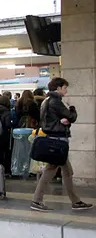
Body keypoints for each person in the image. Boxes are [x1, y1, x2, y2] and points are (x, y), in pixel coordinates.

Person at [30, 78, 92, 212]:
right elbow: (71, 116)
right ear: (58, 88)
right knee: (50, 171)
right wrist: (72, 108)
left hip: (54, 139)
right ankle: (36, 200)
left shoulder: (46, 101)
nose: (66, 90)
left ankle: (76, 201)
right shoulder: (56, 101)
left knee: (67, 172)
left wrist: (65, 121)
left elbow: (60, 120)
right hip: (57, 141)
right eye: (64, 87)